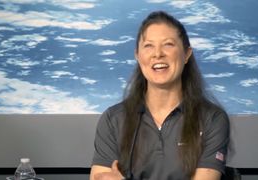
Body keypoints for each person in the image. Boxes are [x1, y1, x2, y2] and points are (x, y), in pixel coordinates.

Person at [90, 10, 229, 180]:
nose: (157, 54)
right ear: (138, 56)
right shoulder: (113, 119)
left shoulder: (212, 119)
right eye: (148, 46)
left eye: (168, 44)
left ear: (186, 54)